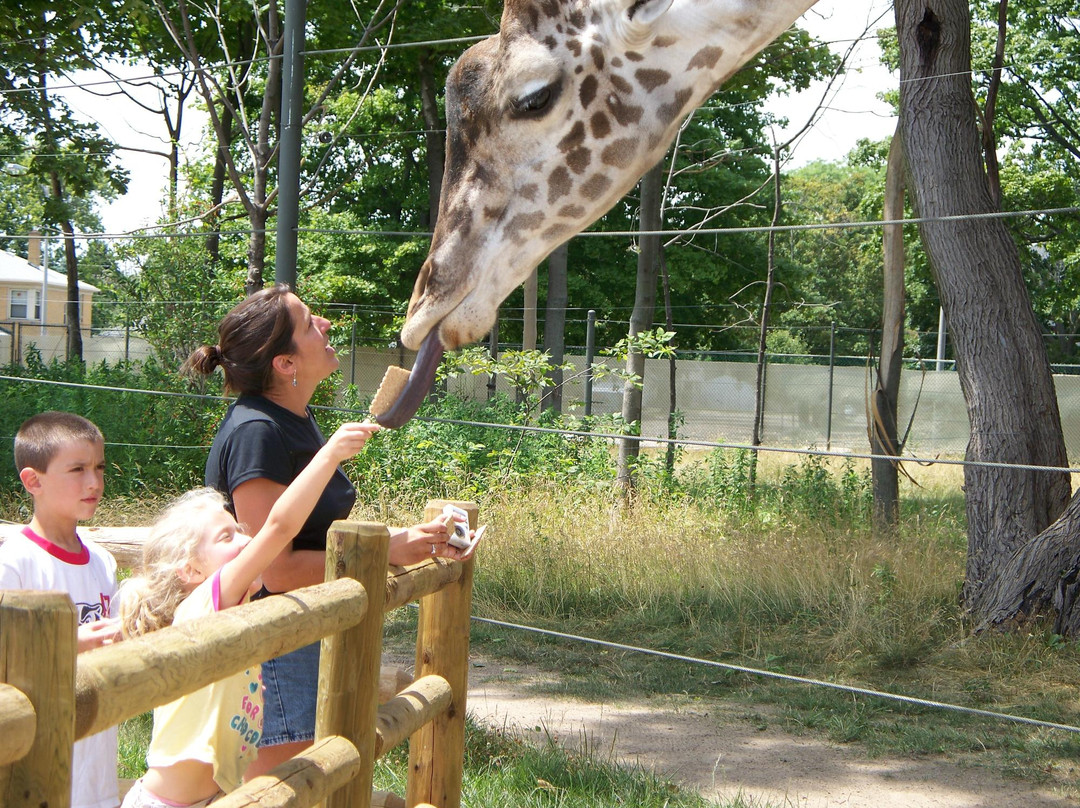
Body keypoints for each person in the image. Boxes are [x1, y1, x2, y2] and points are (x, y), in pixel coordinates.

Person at [183, 284, 482, 777]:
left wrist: (409, 540)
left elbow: (313, 539)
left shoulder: (294, 419)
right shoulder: (258, 431)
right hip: (274, 645)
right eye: (308, 323)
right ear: (284, 363)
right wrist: (389, 550)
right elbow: (272, 571)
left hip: (306, 631)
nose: (326, 325)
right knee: (288, 789)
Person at [117, 420, 379, 808]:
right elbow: (279, 527)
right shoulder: (204, 605)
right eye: (227, 537)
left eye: (240, 529)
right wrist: (330, 455)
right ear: (190, 570)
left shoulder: (237, 614)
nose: (245, 540)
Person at [0, 411, 122, 808]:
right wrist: (70, 644)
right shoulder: (14, 563)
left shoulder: (103, 562)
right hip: (35, 766)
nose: (94, 482)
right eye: (77, 469)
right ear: (33, 480)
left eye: (99, 468)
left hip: (96, 764)